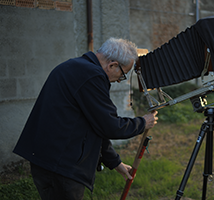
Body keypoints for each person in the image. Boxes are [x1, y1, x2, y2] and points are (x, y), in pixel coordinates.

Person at [13, 37, 158, 200]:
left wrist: (114, 162)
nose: (119, 80)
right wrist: (143, 123)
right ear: (112, 65)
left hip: (47, 161)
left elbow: (94, 124)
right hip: (61, 167)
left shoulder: (74, 67)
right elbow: (110, 126)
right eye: (123, 75)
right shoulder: (92, 76)